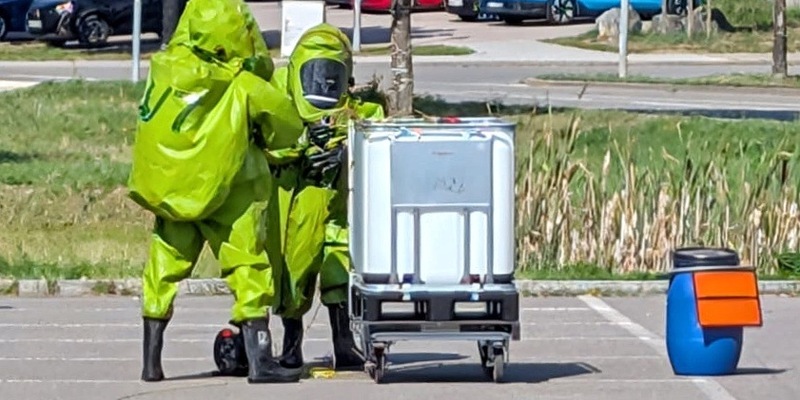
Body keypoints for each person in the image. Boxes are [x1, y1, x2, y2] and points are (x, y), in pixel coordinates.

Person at [126, 0, 305, 384]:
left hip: (175, 191)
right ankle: (260, 362)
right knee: (248, 267)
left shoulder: (164, 71)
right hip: (232, 193)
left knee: (162, 270)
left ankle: (151, 363)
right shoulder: (242, 83)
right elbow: (287, 125)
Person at [263, 23, 385, 371]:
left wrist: (345, 151)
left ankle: (344, 345)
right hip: (298, 198)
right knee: (295, 268)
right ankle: (291, 346)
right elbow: (265, 140)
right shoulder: (278, 98)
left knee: (340, 269)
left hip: (341, 205)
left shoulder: (364, 110)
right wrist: (302, 144)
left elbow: (378, 147)